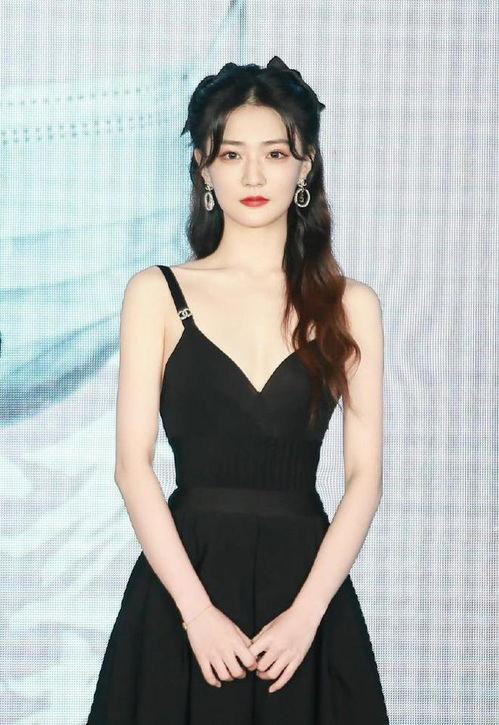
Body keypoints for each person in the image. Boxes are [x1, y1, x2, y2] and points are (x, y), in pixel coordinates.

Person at [86, 56, 389, 724]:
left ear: (305, 166)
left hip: (304, 595)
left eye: (275, 153)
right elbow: (132, 466)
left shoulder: (351, 304)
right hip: (182, 589)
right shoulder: (156, 293)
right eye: (231, 154)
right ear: (203, 165)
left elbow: (364, 476)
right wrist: (196, 614)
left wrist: (307, 615)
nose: (253, 176)